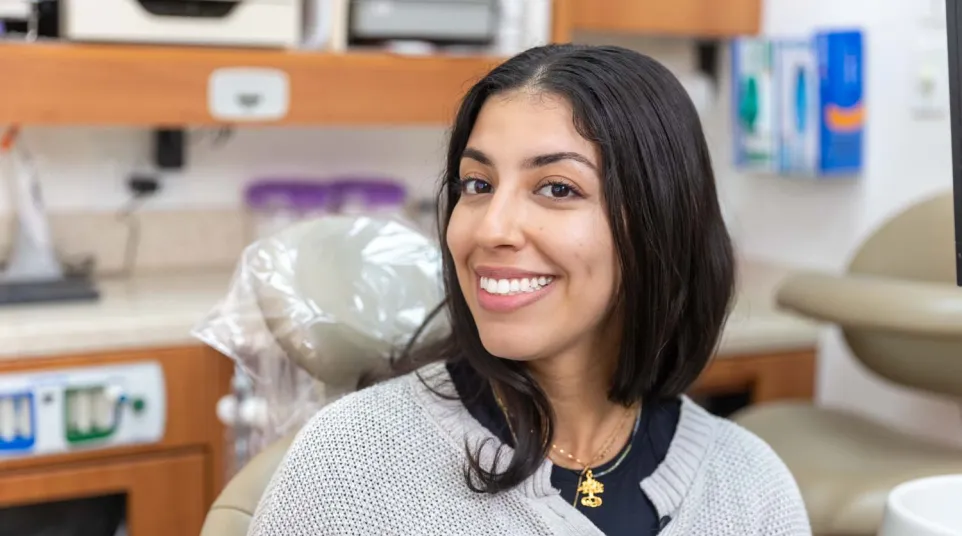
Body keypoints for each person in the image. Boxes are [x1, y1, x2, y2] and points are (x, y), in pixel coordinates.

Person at [247, 43, 811, 536]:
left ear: (660, 222)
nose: (490, 228)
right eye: (478, 184)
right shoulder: (352, 467)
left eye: (557, 188)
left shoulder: (750, 488)